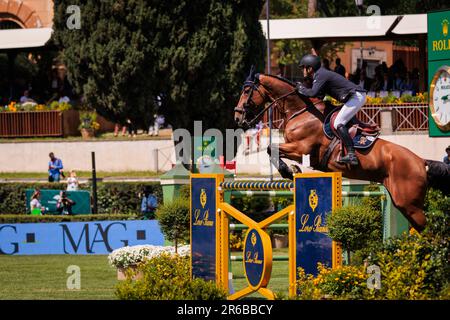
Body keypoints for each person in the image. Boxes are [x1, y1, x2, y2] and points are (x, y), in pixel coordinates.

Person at [296, 54, 367, 165]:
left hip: (356, 96)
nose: (302, 71)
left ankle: (351, 154)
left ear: (310, 68)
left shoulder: (320, 75)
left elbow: (313, 93)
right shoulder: (319, 75)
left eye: (303, 68)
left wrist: (301, 89)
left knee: (338, 122)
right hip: (355, 96)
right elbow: (320, 96)